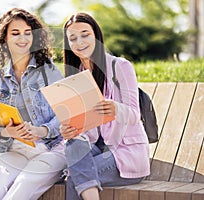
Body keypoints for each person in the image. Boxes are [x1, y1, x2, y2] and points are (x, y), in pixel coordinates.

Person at [61, 12, 150, 200]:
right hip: (96, 149)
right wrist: (70, 129)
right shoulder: (76, 76)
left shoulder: (120, 67)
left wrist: (116, 108)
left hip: (125, 154)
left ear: (96, 36)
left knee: (75, 179)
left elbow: (134, 114)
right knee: (73, 143)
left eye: (85, 34)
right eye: (73, 38)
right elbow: (84, 130)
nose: (80, 42)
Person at [0, 8, 66, 200]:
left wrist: (41, 130)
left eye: (28, 33)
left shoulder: (49, 71)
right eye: (15, 33)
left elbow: (65, 114)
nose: (23, 38)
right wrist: (5, 132)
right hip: (16, 150)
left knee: (23, 185)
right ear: (4, 39)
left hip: (51, 148)